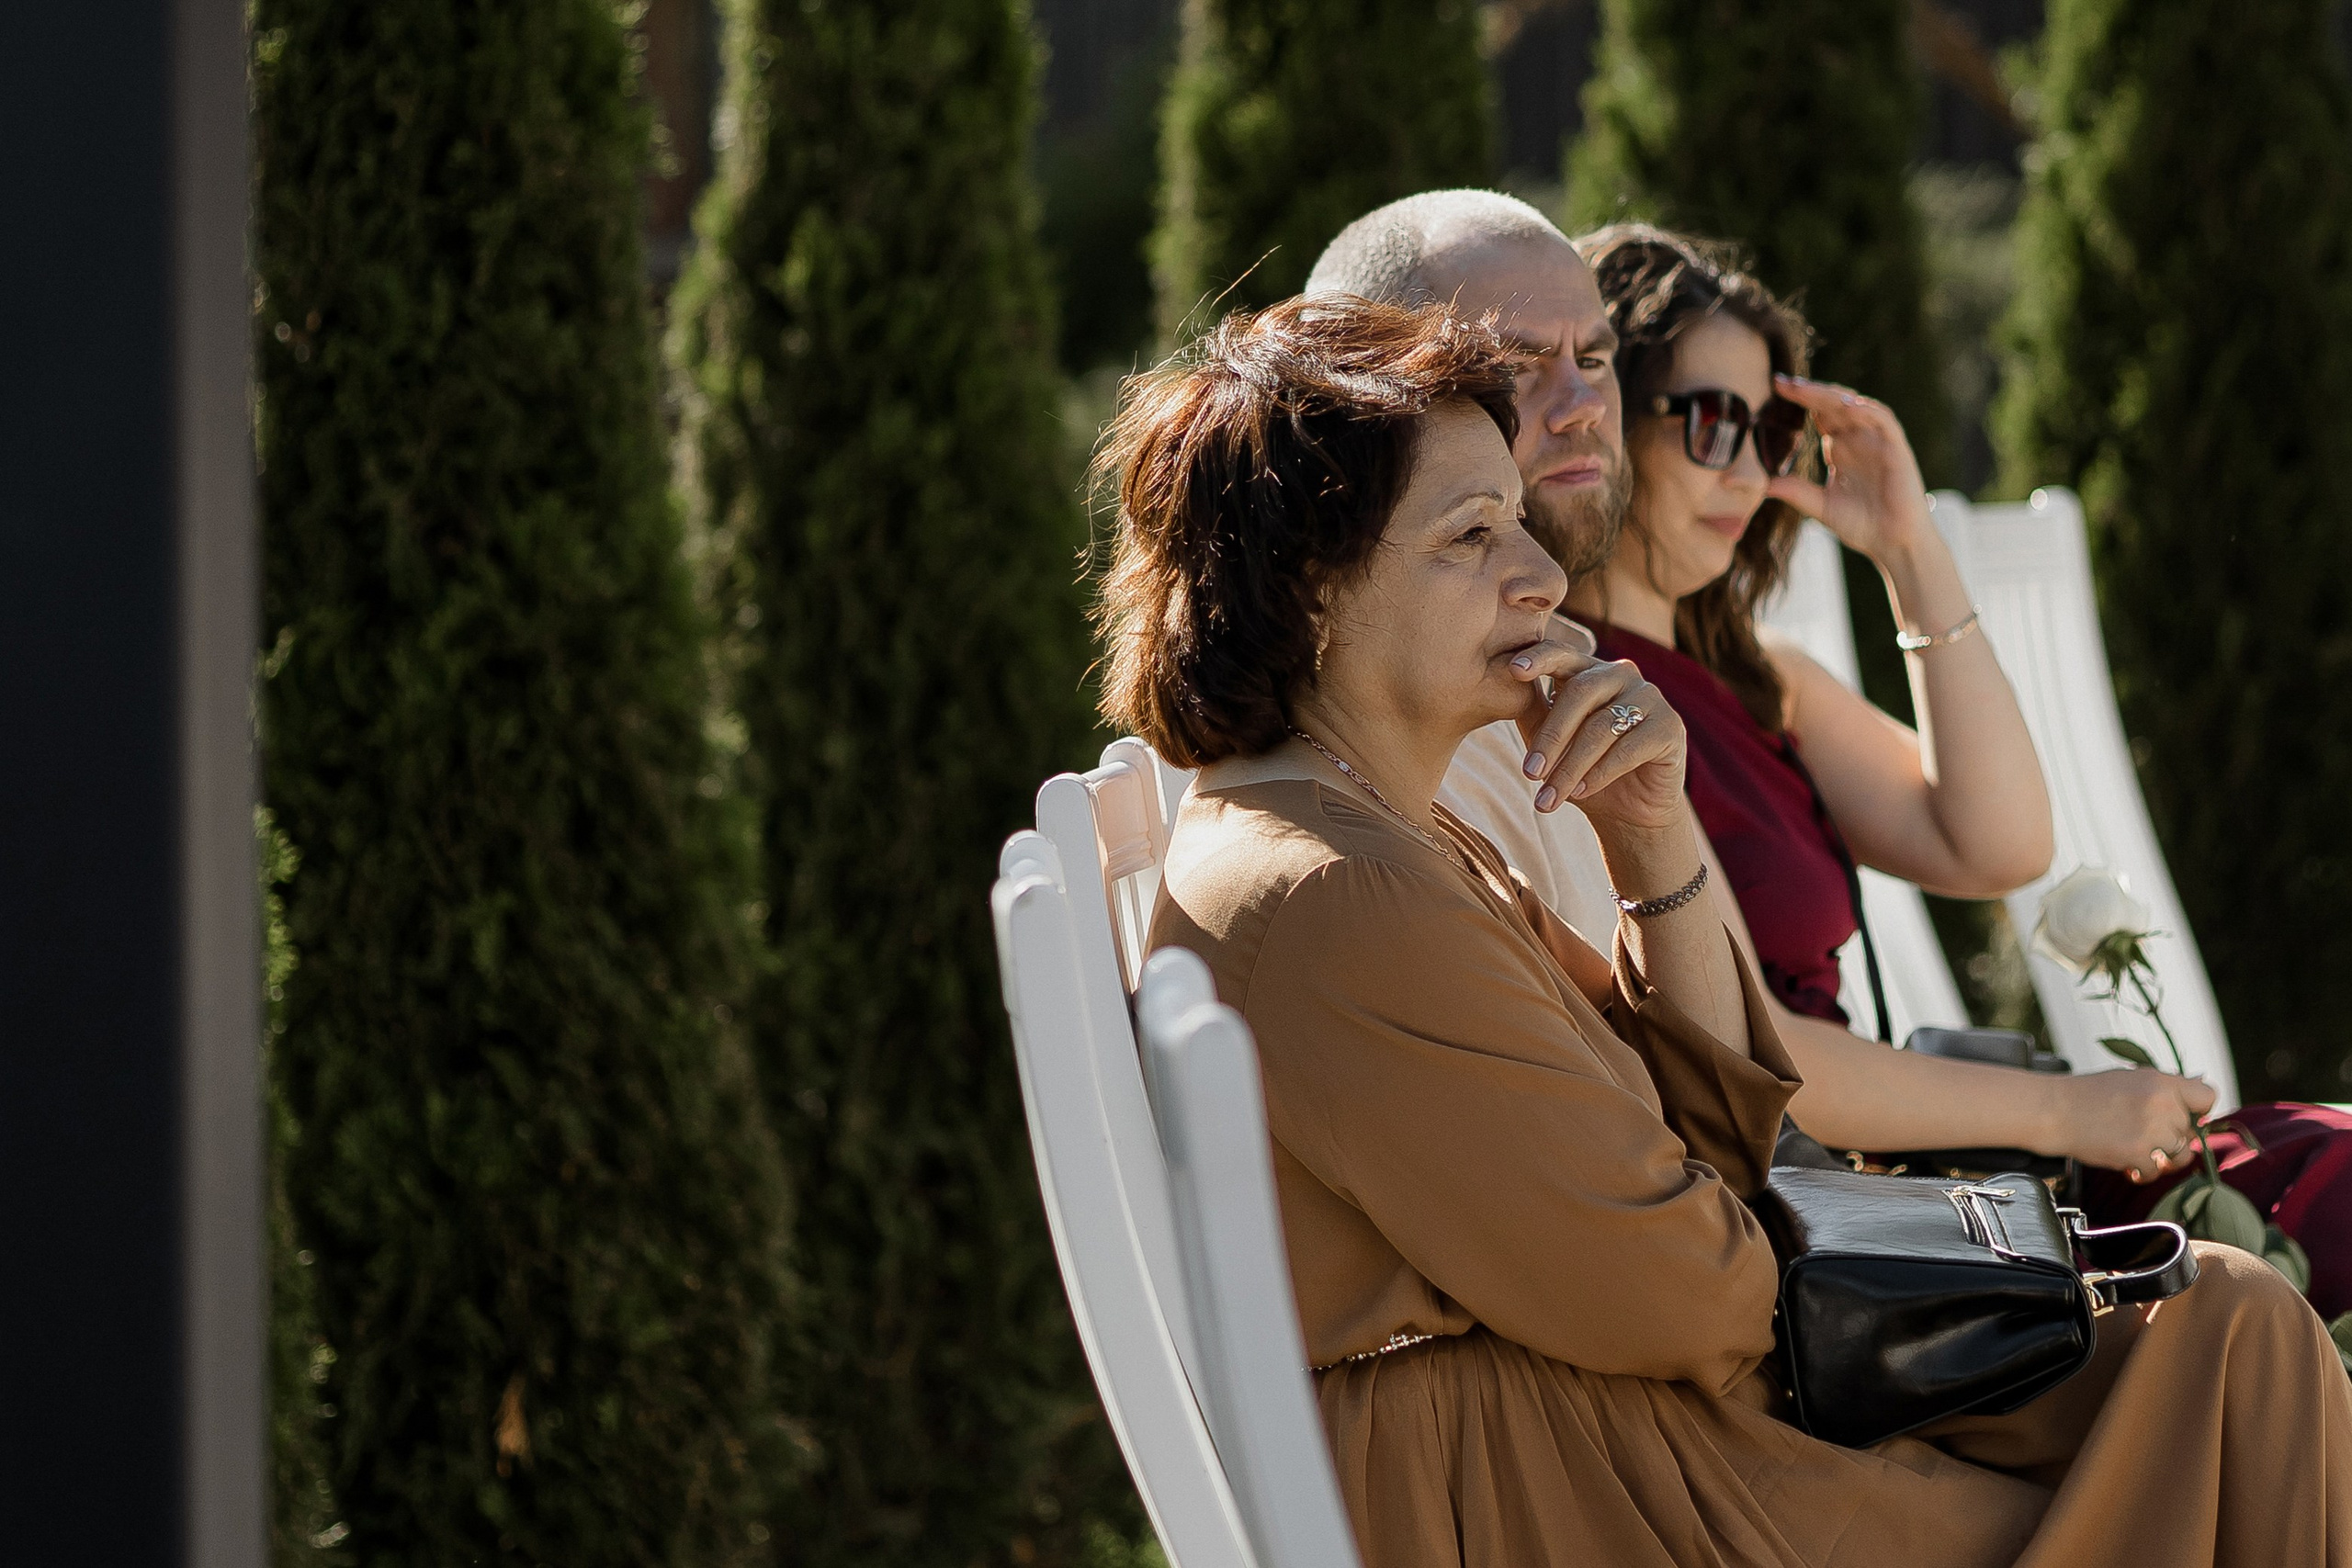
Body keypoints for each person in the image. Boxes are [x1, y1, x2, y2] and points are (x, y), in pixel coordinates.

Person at [1100, 289, 2352, 1568]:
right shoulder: (1337, 893)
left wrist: (1654, 838)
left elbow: (1717, 1122)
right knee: (2228, 1395)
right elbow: (1689, 1297)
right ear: (1309, 587)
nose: (1538, 572)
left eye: (1520, 524)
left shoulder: (1385, 835)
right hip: (1579, 1483)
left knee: (2231, 1322)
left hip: (1619, 1421)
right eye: (1473, 535)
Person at [1304, 195, 2227, 1199]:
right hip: (1809, 1205)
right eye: (1708, 421)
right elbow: (1751, 1053)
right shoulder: (1542, 692)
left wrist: (1909, 550)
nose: (1746, 465)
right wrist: (2068, 1111)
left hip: (1859, 1184)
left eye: (1770, 428)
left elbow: (1999, 846)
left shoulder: (1754, 675)